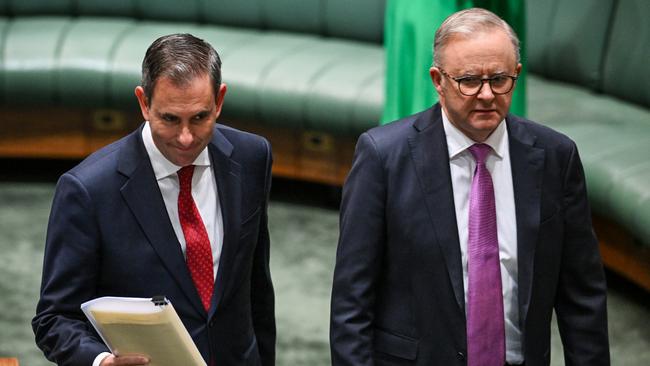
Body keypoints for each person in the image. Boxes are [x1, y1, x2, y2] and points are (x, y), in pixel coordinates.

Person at [330, 8, 609, 366]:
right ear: (438, 80)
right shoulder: (384, 157)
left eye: (499, 79)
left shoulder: (556, 157)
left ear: (517, 75)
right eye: (469, 81)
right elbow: (352, 302)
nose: (487, 95)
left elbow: (582, 298)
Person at [32, 33, 275, 366]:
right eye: (170, 119)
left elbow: (257, 290)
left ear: (219, 101)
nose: (186, 138)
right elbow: (54, 319)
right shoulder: (88, 190)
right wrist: (101, 362)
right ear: (144, 103)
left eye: (200, 117)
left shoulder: (251, 157)